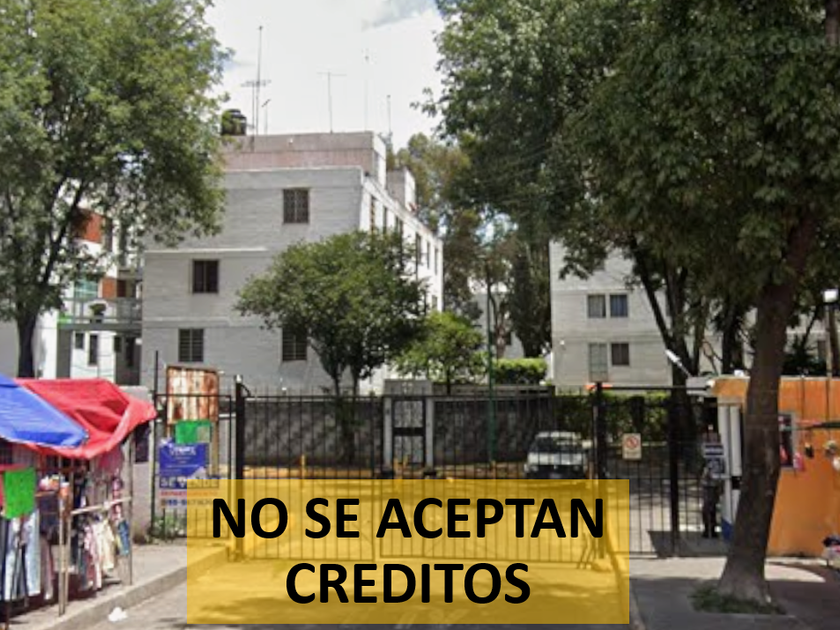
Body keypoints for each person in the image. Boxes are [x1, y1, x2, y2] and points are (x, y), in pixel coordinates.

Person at [701, 458, 723, 538]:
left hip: (711, 486)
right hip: (710, 486)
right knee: (709, 508)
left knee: (710, 508)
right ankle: (709, 529)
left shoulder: (715, 460)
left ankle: (710, 529)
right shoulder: (714, 460)